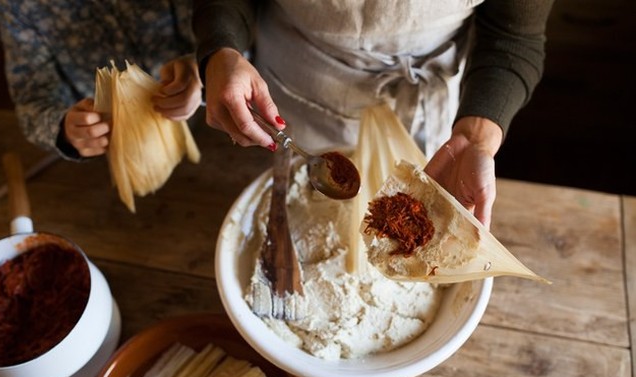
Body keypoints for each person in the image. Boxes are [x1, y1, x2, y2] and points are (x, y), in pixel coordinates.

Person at [192, 0, 555, 228]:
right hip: (298, 90)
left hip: (430, 115)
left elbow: (513, 37)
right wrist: (222, 47)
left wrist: (476, 139)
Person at [0, 0, 203, 161]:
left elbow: (228, 24)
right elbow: (33, 99)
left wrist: (206, 66)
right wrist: (64, 129)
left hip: (210, 119)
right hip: (111, 148)